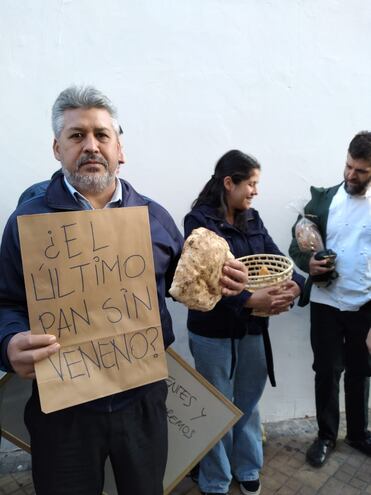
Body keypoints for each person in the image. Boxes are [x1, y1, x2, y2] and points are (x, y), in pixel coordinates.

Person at [0, 86, 248, 495]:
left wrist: (222, 284)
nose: (91, 146)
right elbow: (7, 301)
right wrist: (8, 342)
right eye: (77, 136)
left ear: (120, 148)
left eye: (102, 135)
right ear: (57, 148)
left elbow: (178, 287)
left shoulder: (154, 217)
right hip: (64, 409)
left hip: (141, 402)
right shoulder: (28, 221)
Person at [184, 150, 304, 495]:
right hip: (212, 331)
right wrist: (250, 300)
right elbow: (205, 279)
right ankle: (215, 479)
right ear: (229, 183)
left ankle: (247, 466)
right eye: (250, 183)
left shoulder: (253, 218)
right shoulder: (199, 223)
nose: (255, 191)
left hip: (252, 330)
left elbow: (275, 254)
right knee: (216, 406)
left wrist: (295, 281)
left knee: (247, 403)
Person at [289, 131, 371, 468]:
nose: (351, 175)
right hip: (325, 302)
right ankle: (325, 436)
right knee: (326, 370)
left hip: (365, 305)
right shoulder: (323, 200)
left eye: (361, 171)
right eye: (349, 166)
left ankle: (358, 433)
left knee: (361, 371)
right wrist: (307, 262)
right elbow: (297, 242)